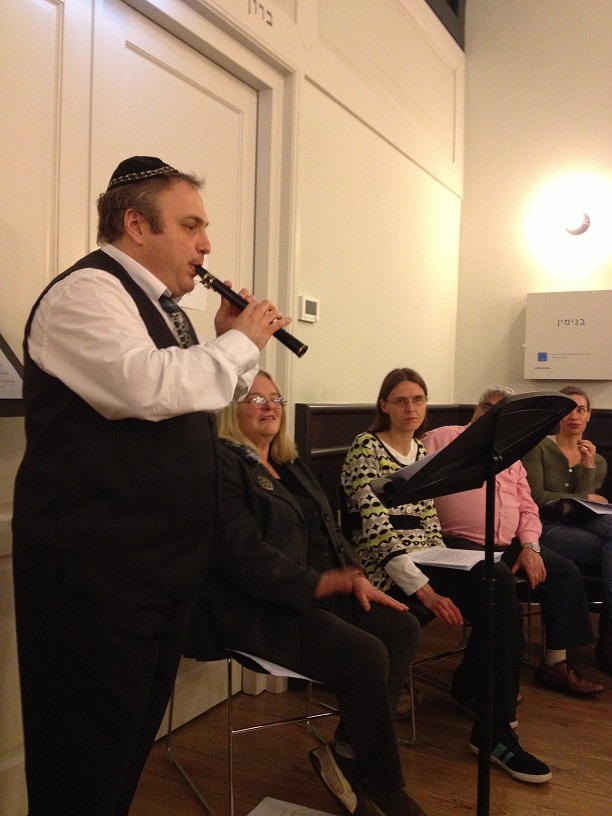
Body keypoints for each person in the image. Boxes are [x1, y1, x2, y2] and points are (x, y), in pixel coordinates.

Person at [11, 156, 291, 816]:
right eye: (191, 226)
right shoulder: (86, 293)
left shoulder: (166, 310)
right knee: (83, 759)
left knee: (122, 750)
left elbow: (187, 393)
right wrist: (242, 343)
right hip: (94, 574)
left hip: (155, 573)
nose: (206, 245)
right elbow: (146, 388)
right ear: (136, 225)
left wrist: (227, 339)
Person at [184, 371, 427, 816]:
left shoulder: (289, 463)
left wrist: (355, 576)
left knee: (401, 628)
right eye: (255, 398)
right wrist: (317, 583)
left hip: (317, 593)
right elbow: (240, 553)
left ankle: (347, 753)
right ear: (230, 409)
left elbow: (330, 529)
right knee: (366, 653)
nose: (269, 406)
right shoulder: (221, 464)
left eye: (275, 398)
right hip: (254, 607)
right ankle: (384, 785)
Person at [341, 368, 553, 786]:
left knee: (498, 586)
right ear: (384, 405)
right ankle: (492, 723)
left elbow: (428, 519)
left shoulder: (421, 450)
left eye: (418, 400)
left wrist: (449, 559)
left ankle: (493, 728)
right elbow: (376, 529)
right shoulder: (366, 447)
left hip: (428, 557)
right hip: (386, 567)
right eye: (401, 400)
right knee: (496, 589)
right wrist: (428, 593)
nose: (411, 408)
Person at [422, 385, 605, 700]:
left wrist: (531, 546)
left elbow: (528, 508)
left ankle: (555, 663)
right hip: (457, 543)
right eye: (489, 408)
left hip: (508, 544)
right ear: (477, 409)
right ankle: (485, 680)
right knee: (502, 585)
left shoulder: (510, 455)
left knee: (564, 571)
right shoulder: (443, 438)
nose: (495, 417)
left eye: (504, 413)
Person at [522, 385, 612, 675]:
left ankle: (609, 638)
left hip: (583, 525)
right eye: (568, 410)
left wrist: (588, 466)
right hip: (546, 527)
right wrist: (584, 496)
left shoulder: (597, 460)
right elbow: (537, 497)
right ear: (557, 415)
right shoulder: (538, 447)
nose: (574, 416)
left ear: (589, 416)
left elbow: (585, 509)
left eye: (581, 410)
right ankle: (608, 640)